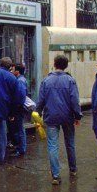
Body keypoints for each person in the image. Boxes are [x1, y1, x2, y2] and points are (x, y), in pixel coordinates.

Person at [36, 55, 82, 185]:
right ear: (66, 65)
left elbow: (40, 101)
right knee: (70, 143)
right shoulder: (70, 80)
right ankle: (73, 169)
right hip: (67, 117)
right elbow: (74, 100)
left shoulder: (46, 81)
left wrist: (37, 114)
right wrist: (77, 116)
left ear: (54, 64)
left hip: (51, 117)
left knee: (52, 145)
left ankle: (56, 176)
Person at [7, 63, 29, 158]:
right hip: (19, 108)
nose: (11, 71)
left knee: (19, 129)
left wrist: (14, 109)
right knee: (20, 128)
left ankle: (21, 149)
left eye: (13, 69)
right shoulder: (21, 80)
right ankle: (20, 148)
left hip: (18, 109)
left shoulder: (19, 81)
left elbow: (19, 97)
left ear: (17, 71)